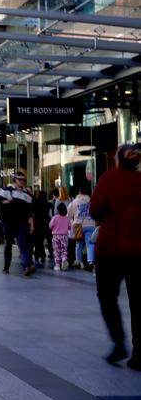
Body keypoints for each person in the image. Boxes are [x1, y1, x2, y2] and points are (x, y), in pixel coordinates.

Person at [90, 144, 141, 368]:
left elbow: (94, 210)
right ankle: (140, 354)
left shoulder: (108, 179)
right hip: (139, 252)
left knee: (107, 297)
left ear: (118, 160)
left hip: (110, 250)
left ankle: (119, 342)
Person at [0, 172, 35, 275]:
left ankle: (27, 266)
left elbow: (30, 212)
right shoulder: (5, 191)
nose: (22, 182)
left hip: (22, 223)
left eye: (24, 180)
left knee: (23, 244)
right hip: (8, 222)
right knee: (8, 243)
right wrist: (7, 202)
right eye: (20, 179)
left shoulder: (27, 195)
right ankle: (6, 266)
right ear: (14, 180)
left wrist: (31, 224)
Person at [67, 186, 95, 271]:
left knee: (79, 244)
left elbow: (69, 214)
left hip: (79, 225)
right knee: (90, 244)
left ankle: (78, 262)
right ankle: (90, 261)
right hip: (90, 224)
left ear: (79, 192)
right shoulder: (91, 201)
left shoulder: (75, 202)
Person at [49, 202, 71, 271]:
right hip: (64, 236)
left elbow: (50, 226)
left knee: (56, 251)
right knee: (64, 250)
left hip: (55, 236)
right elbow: (69, 227)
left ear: (58, 210)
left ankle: (57, 265)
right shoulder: (67, 219)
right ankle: (64, 259)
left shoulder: (54, 218)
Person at [32, 190, 51, 265]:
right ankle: (42, 256)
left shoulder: (35, 203)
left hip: (37, 223)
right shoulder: (48, 204)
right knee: (42, 240)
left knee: (38, 241)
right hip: (45, 224)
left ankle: (38, 255)